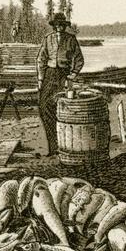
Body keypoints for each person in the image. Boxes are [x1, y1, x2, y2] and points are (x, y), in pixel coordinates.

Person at [36, 12, 84, 156]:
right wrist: (40, 79)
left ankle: (65, 146)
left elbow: (79, 59)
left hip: (64, 76)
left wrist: (73, 74)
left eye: (61, 25)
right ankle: (53, 148)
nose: (59, 27)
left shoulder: (71, 39)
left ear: (64, 26)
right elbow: (40, 59)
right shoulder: (47, 39)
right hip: (49, 75)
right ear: (54, 26)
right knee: (43, 107)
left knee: (63, 109)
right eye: (56, 25)